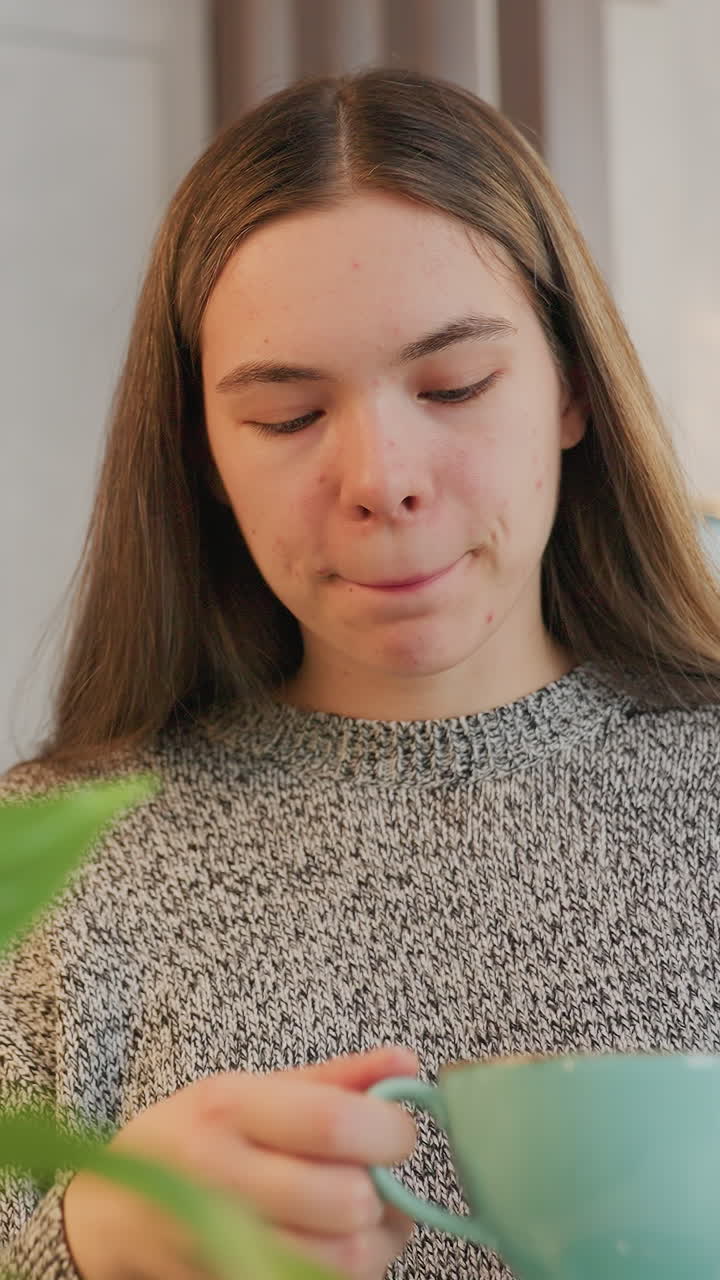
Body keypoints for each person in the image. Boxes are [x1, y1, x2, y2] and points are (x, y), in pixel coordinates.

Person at [2, 64, 720, 1280]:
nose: (381, 476)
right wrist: (91, 1243)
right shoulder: (54, 857)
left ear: (572, 387)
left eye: (454, 384)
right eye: (285, 415)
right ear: (203, 456)